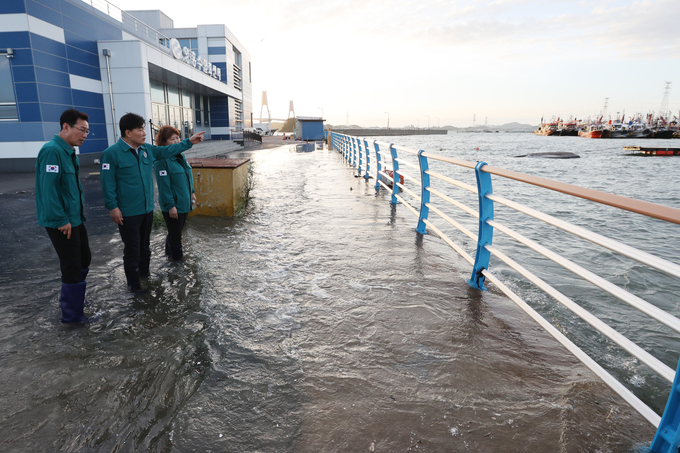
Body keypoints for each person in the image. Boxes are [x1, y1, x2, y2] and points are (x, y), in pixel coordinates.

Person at [100, 113, 205, 293]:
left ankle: (145, 278)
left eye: (144, 129)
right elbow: (107, 183)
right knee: (132, 250)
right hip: (127, 211)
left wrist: (189, 142)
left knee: (145, 248)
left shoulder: (147, 150)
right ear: (128, 132)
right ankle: (134, 288)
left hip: (146, 209)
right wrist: (113, 207)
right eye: (140, 129)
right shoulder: (111, 154)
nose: (144, 133)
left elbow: (167, 150)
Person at [35, 108, 92, 323]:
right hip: (61, 220)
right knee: (71, 265)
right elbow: (49, 189)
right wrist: (60, 219)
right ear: (66, 127)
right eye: (82, 130)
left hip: (74, 218)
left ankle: (76, 300)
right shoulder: (52, 151)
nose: (85, 135)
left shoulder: (68, 151)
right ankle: (72, 317)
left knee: (84, 258)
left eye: (87, 131)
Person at [154, 126, 196, 261]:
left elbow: (187, 176)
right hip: (173, 205)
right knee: (175, 236)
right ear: (164, 142)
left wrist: (192, 192)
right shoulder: (162, 160)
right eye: (173, 139)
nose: (177, 141)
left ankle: (169, 257)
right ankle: (177, 264)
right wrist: (170, 206)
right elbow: (164, 186)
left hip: (184, 202)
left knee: (174, 233)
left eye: (178, 138)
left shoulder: (179, 156)